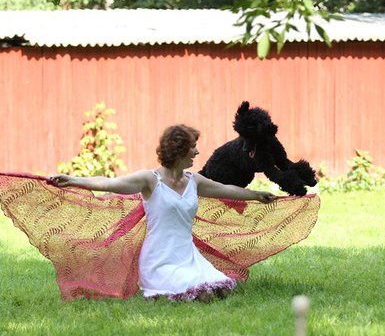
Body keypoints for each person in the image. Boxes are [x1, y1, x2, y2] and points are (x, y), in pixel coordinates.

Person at [49, 124, 276, 303]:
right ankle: (159, 287)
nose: (197, 151)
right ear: (178, 149)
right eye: (192, 146)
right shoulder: (150, 180)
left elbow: (225, 190)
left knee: (220, 289)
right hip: (160, 260)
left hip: (188, 257)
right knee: (200, 295)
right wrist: (74, 180)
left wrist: (256, 195)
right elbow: (109, 183)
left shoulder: (193, 180)